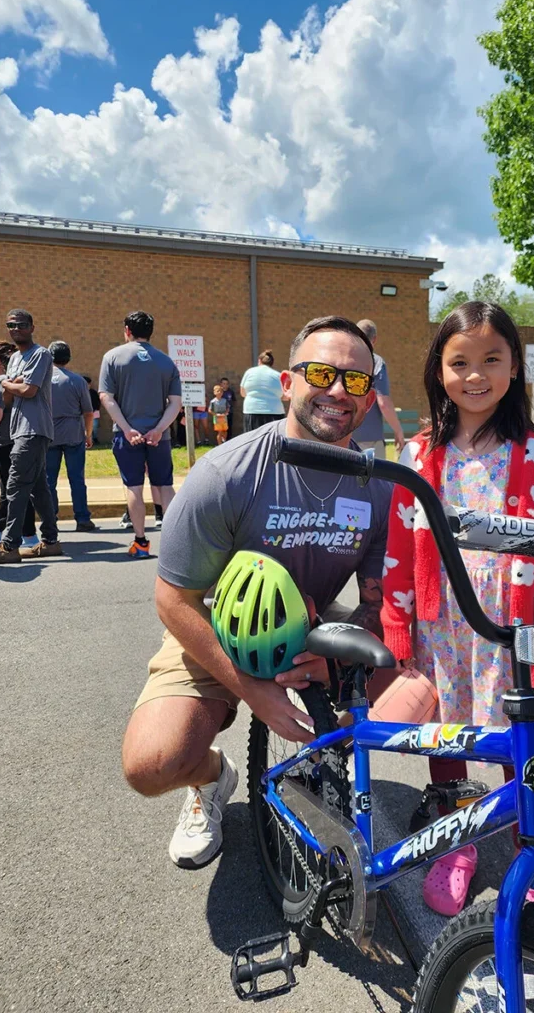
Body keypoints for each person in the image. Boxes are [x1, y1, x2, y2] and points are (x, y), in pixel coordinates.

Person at [120, 315, 391, 869]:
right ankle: (213, 779)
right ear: (287, 384)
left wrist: (342, 659)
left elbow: (374, 602)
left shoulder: (379, 484)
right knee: (151, 766)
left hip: (314, 619)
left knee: (405, 666)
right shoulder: (227, 473)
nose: (339, 391)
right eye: (321, 373)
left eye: (357, 381)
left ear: (368, 400)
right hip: (222, 621)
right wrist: (250, 688)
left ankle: (328, 765)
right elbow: (174, 599)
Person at [381, 300, 534, 916]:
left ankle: (527, 840)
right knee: (447, 737)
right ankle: (455, 839)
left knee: (521, 736)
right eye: (460, 361)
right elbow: (400, 547)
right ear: (440, 370)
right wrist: (399, 621)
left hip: (509, 625)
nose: (476, 374)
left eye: (492, 358)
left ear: (514, 366)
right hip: (442, 622)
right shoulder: (419, 453)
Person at [99, 310, 182, 558]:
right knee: (165, 485)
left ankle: (141, 543)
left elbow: (106, 397)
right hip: (160, 436)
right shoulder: (166, 362)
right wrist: (158, 429)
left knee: (134, 486)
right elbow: (175, 403)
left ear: (127, 330)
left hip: (126, 434)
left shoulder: (112, 357)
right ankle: (175, 544)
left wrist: (126, 428)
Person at [0, 309, 62, 564]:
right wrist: (13, 384)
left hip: (34, 429)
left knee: (15, 485)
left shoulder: (41, 354)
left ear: (32, 327)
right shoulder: (13, 360)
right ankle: (51, 542)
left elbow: (28, 390)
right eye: (10, 325)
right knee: (38, 488)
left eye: (20, 325)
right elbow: (10, 394)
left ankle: (9, 546)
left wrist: (9, 383)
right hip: (19, 428)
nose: (15, 328)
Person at [46, 341, 96, 532]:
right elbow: (88, 412)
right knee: (77, 479)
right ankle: (82, 518)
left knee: (49, 480)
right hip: (74, 434)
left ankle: (50, 519)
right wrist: (88, 434)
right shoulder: (78, 381)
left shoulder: (43, 381)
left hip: (49, 434)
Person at [0, 339, 38, 547]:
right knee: (17, 489)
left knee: (12, 490)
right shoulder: (15, 380)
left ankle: (16, 534)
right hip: (19, 439)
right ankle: (23, 533)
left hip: (5, 442)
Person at [351, 319, 405, 458]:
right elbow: (383, 402)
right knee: (374, 479)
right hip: (370, 438)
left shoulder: (344, 360)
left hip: (344, 435)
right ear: (374, 340)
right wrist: (398, 430)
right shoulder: (376, 362)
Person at [240, 349, 284, 433]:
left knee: (252, 440)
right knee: (273, 440)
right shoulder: (278, 375)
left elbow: (243, 392)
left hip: (252, 410)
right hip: (274, 411)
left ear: (259, 361)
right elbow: (284, 396)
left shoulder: (249, 372)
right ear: (272, 363)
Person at [83, 375, 101, 444]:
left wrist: (96, 409)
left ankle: (95, 438)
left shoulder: (93, 392)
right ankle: (86, 440)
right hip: (83, 413)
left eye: (88, 384)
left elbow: (98, 401)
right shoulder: (81, 392)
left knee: (95, 426)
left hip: (94, 412)